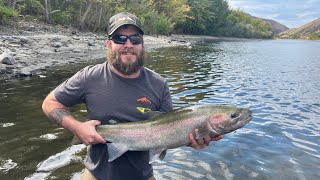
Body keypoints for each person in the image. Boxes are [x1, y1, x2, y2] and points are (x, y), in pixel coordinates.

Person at [42, 12, 223, 180]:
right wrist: (77, 128)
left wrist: (192, 141)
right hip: (97, 175)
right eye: (120, 38)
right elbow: (50, 103)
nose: (128, 45)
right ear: (109, 43)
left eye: (135, 39)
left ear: (142, 44)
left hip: (142, 176)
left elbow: (168, 133)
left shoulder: (159, 84)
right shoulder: (89, 77)